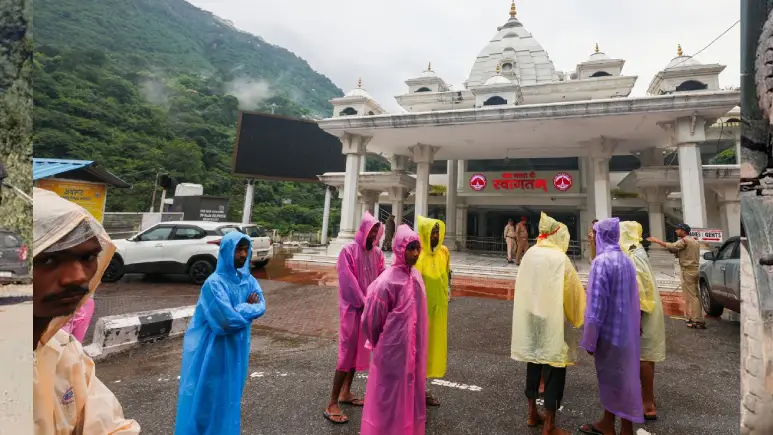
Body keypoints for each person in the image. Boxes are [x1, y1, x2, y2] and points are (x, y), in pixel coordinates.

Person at [32, 188, 140, 434]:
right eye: (48, 260)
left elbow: (110, 426)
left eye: (89, 257)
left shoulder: (64, 351)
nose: (78, 277)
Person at [174, 231, 266, 435]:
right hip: (212, 350)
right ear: (226, 251)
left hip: (237, 348)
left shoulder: (248, 280)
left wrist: (238, 309)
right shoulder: (214, 283)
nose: (243, 255)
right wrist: (246, 307)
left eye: (246, 249)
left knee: (229, 396)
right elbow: (225, 322)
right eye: (238, 249)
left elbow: (261, 306)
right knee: (207, 397)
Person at [511, 212, 586, 435]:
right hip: (553, 322)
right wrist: (578, 317)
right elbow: (572, 293)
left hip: (531, 319)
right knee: (554, 368)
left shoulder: (531, 254)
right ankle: (549, 425)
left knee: (533, 363)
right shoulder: (559, 258)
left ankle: (532, 414)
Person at [360, 224, 428, 435]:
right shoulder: (386, 282)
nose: (415, 253)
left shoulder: (416, 277)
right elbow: (371, 321)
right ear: (400, 249)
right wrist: (381, 345)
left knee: (408, 396)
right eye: (411, 248)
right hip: (391, 354)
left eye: (417, 248)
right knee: (387, 399)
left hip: (412, 353)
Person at [579, 218, 644, 435]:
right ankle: (614, 424)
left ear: (601, 236)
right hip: (626, 332)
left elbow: (596, 307)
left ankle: (620, 429)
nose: (591, 237)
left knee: (611, 380)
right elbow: (634, 297)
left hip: (609, 335)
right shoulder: (625, 260)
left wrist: (590, 340)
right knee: (624, 380)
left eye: (594, 233)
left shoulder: (601, 262)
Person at [324, 211, 385, 424]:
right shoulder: (348, 251)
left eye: (377, 230)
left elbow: (382, 280)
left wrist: (379, 303)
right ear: (363, 229)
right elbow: (347, 281)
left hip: (368, 310)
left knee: (359, 350)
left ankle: (346, 392)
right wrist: (365, 302)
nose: (373, 234)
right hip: (352, 310)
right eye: (371, 230)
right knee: (346, 353)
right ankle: (332, 402)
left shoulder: (378, 254)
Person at [619, 221, 666, 421]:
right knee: (646, 357)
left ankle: (647, 403)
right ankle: (647, 397)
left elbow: (639, 288)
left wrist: (637, 314)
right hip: (645, 309)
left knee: (643, 358)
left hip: (641, 312)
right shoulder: (636, 250)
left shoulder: (632, 255)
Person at [415, 216, 451, 407]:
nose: (435, 236)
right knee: (417, 351)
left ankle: (422, 388)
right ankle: (413, 392)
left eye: (437, 232)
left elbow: (447, 275)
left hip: (438, 314)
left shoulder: (444, 252)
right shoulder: (416, 254)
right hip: (419, 315)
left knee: (432, 350)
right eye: (432, 232)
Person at [647, 223, 704, 329]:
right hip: (693, 270)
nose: (676, 231)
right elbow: (677, 250)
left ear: (683, 231)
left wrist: (657, 241)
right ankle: (693, 317)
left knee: (692, 296)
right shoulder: (693, 241)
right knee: (694, 295)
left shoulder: (685, 241)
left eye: (678, 229)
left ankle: (697, 320)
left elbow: (673, 246)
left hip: (688, 271)